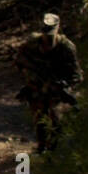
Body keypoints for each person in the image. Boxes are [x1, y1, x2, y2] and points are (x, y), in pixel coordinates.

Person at [14, 12, 82, 153]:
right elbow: (19, 62)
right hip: (37, 87)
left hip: (55, 89)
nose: (48, 38)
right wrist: (30, 75)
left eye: (50, 34)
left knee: (56, 118)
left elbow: (76, 75)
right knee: (39, 118)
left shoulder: (66, 47)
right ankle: (42, 148)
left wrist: (63, 85)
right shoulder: (31, 44)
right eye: (46, 33)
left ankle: (54, 151)